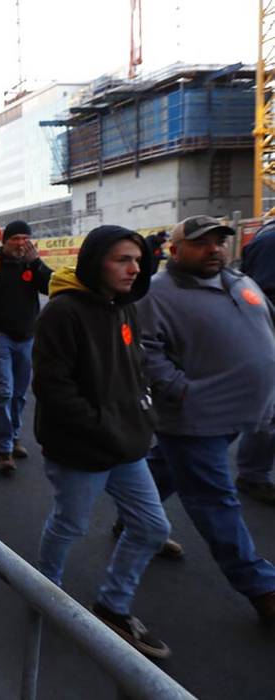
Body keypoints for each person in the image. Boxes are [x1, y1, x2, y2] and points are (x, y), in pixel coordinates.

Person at [33, 225, 171, 658]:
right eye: (122, 260)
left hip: (126, 446)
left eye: (138, 260)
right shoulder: (63, 312)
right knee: (70, 524)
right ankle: (43, 588)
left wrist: (143, 413)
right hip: (80, 450)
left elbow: (135, 366)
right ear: (96, 262)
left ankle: (113, 605)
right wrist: (101, 426)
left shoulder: (125, 307)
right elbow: (52, 387)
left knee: (152, 527)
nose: (135, 269)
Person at [136, 215, 275, 626]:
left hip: (245, 408)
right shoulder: (155, 293)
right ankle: (260, 585)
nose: (214, 248)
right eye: (201, 243)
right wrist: (181, 390)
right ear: (174, 250)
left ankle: (134, 513)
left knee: (167, 466)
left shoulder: (239, 282)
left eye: (219, 241)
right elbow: (145, 352)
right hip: (195, 417)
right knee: (215, 499)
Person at [0, 220, 52, 473]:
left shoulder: (31, 266)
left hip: (26, 338)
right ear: (5, 241)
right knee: (2, 391)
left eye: (25, 238)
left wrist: (36, 263)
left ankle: (14, 435)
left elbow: (51, 286)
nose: (21, 243)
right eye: (15, 238)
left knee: (19, 393)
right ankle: (3, 448)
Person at [237, 220, 275, 504]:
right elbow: (261, 293)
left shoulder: (265, 239)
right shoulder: (270, 243)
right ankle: (253, 475)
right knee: (267, 412)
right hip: (267, 336)